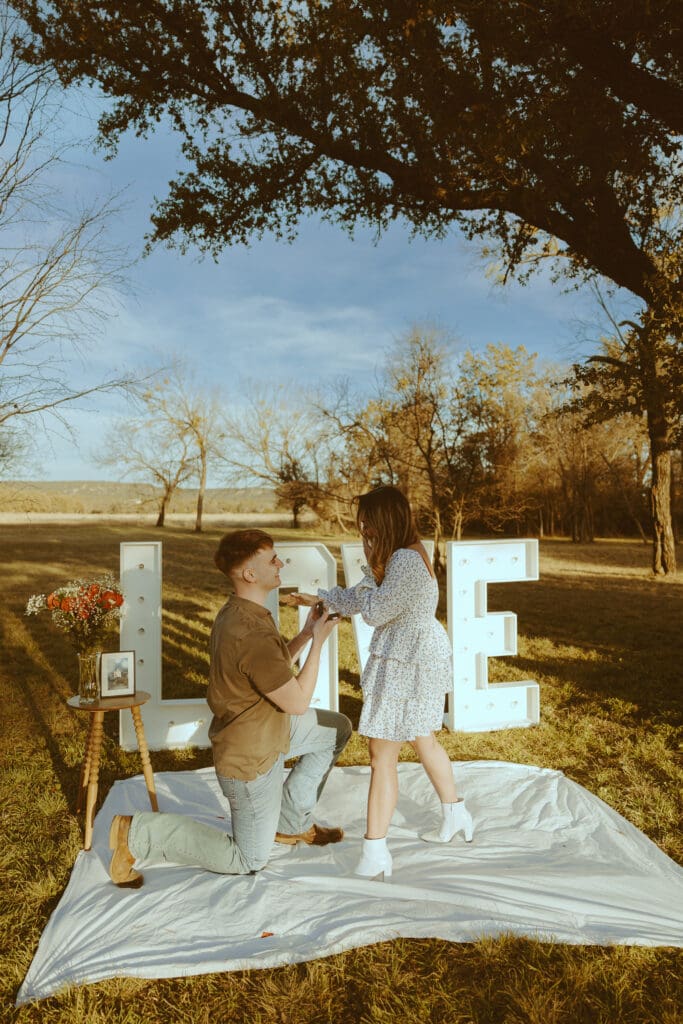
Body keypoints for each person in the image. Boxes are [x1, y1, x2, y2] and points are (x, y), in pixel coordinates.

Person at [109, 529, 350, 888]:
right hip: (250, 759)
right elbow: (298, 702)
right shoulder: (248, 630)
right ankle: (138, 832)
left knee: (336, 729)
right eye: (272, 559)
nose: (280, 563)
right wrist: (318, 642)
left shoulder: (242, 611)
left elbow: (270, 665)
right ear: (249, 574)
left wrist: (306, 631)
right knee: (248, 859)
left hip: (270, 729)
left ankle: (290, 822)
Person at [296, 486, 473, 880]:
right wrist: (321, 598)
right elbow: (366, 600)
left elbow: (373, 610)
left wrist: (364, 579)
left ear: (385, 520)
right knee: (422, 738)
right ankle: (455, 812)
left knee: (382, 754)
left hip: (407, 662)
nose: (363, 529)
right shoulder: (403, 556)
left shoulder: (406, 561)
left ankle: (376, 851)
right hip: (411, 656)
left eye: (368, 521)